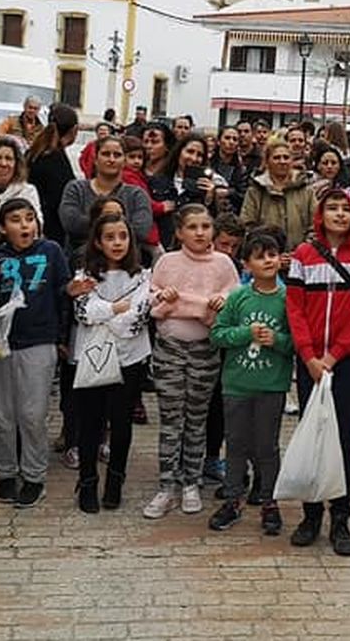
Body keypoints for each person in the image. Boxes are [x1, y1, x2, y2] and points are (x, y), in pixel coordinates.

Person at [284, 190, 350, 556]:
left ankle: (341, 517)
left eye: (345, 208)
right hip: (310, 363)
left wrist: (334, 356)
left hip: (347, 363)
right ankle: (310, 516)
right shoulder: (305, 256)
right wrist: (309, 356)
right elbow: (294, 307)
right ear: (320, 215)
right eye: (332, 208)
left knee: (343, 441)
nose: (339, 214)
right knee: (313, 436)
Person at [143, 204, 238, 519]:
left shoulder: (224, 264)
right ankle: (166, 485)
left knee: (196, 418)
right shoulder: (166, 262)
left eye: (205, 227)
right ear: (180, 232)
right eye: (193, 227)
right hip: (169, 348)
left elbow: (233, 301)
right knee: (171, 418)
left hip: (205, 348)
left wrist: (219, 304)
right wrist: (165, 299)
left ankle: (191, 482)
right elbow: (151, 299)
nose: (200, 233)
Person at [0, 198, 71, 508]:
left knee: (32, 414)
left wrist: (63, 336)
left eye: (30, 219)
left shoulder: (51, 251)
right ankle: (7, 472)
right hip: (1, 344)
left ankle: (34, 476)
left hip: (40, 340)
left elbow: (63, 294)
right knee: (2, 413)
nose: (24, 225)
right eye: (16, 220)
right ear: (3, 228)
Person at [68, 213, 156, 513]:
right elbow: (83, 313)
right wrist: (115, 309)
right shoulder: (84, 276)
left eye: (123, 236)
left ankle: (115, 480)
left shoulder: (143, 276)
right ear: (97, 241)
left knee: (121, 423)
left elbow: (138, 317)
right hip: (92, 358)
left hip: (129, 358)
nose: (117, 243)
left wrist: (106, 313)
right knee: (90, 423)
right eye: (109, 237)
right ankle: (88, 480)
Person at [207, 230, 293, 534]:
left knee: (267, 447)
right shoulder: (238, 297)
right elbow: (217, 334)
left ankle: (270, 501)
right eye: (260, 256)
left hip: (271, 385)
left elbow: (297, 341)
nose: (268, 260)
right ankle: (232, 499)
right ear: (246, 264)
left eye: (272, 254)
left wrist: (278, 340)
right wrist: (244, 334)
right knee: (236, 444)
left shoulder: (289, 298)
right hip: (236, 385)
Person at [59, 135, 156, 258]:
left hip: (125, 266)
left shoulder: (137, 195)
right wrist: (117, 225)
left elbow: (140, 231)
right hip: (79, 262)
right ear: (95, 159)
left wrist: (96, 222)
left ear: (124, 160)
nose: (111, 159)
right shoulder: (76, 189)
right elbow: (71, 224)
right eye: (105, 154)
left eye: (117, 155)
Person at [238, 139, 313, 251]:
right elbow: (247, 225)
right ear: (267, 162)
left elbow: (315, 226)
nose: (282, 161)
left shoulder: (306, 190)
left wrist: (301, 252)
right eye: (277, 158)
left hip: (301, 258)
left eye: (286, 157)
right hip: (265, 257)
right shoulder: (255, 191)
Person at [25, 103, 79, 245]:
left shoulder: (34, 152)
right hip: (50, 230)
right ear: (74, 130)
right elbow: (60, 197)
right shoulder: (55, 158)